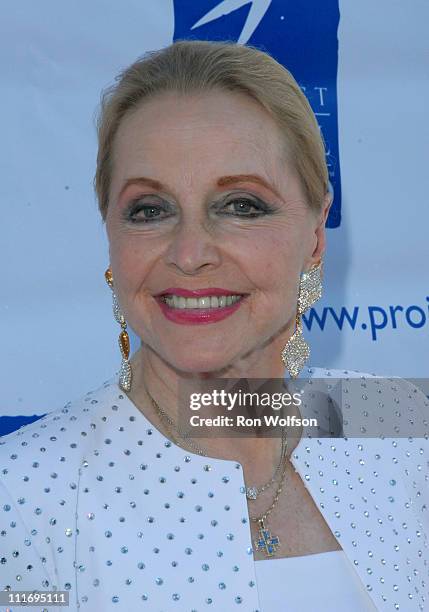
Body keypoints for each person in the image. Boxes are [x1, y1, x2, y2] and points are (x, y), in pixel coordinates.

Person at [1, 39, 428, 612]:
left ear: (316, 234)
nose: (191, 252)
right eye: (150, 210)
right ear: (111, 232)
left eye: (242, 206)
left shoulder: (401, 421)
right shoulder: (23, 492)